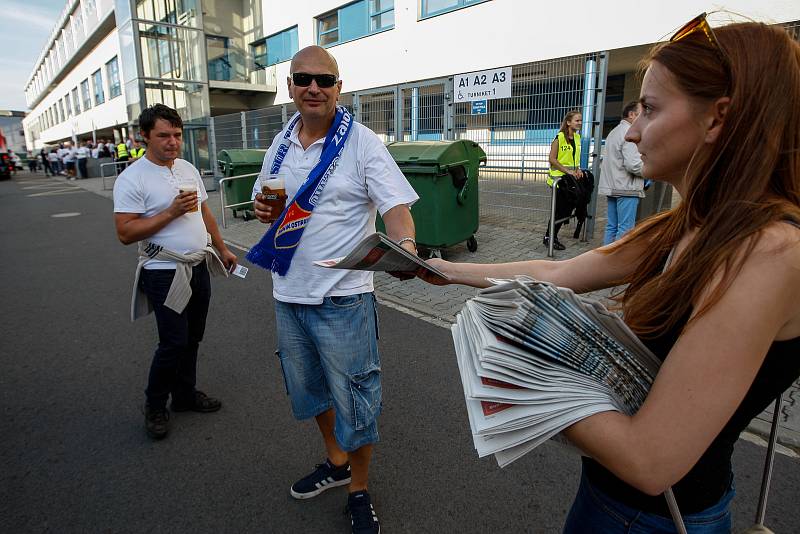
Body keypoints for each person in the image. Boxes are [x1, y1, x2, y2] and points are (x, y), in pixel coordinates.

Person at [419, 18, 800, 533]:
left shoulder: (768, 251)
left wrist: (514, 376)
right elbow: (558, 270)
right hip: (614, 502)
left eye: (652, 108)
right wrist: (445, 270)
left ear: (718, 119)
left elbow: (650, 459)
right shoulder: (691, 223)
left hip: (656, 518)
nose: (634, 129)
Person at [250, 45, 418, 534]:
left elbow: (397, 207)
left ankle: (359, 489)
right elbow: (269, 203)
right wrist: (265, 212)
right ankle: (336, 460)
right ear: (291, 87)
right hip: (288, 294)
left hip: (343, 297)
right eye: (303, 78)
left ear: (339, 87)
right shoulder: (279, 144)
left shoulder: (363, 143)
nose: (313, 88)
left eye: (324, 80)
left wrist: (404, 245)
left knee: (357, 401)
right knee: (311, 394)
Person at [113, 103, 237, 440]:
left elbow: (205, 213)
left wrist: (222, 248)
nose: (173, 142)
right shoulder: (132, 178)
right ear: (144, 136)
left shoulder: (187, 168)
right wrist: (169, 213)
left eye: (177, 135)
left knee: (193, 337)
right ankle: (155, 405)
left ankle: (184, 395)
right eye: (163, 135)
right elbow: (125, 233)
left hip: (198, 264)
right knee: (172, 342)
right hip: (164, 270)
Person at [599, 102, 646, 245]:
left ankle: (604, 260)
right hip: (626, 188)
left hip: (613, 187)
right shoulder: (630, 133)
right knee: (625, 230)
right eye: (642, 113)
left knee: (611, 227)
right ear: (632, 115)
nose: (644, 117)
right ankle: (616, 264)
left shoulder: (614, 132)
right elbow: (633, 164)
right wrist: (649, 172)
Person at [546, 110, 585, 251]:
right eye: (577, 120)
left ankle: (549, 236)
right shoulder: (559, 138)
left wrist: (578, 169)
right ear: (568, 122)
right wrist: (568, 171)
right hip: (558, 181)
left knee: (565, 210)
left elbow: (574, 159)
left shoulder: (577, 138)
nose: (580, 123)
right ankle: (550, 237)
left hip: (569, 180)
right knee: (559, 211)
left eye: (581, 120)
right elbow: (552, 159)